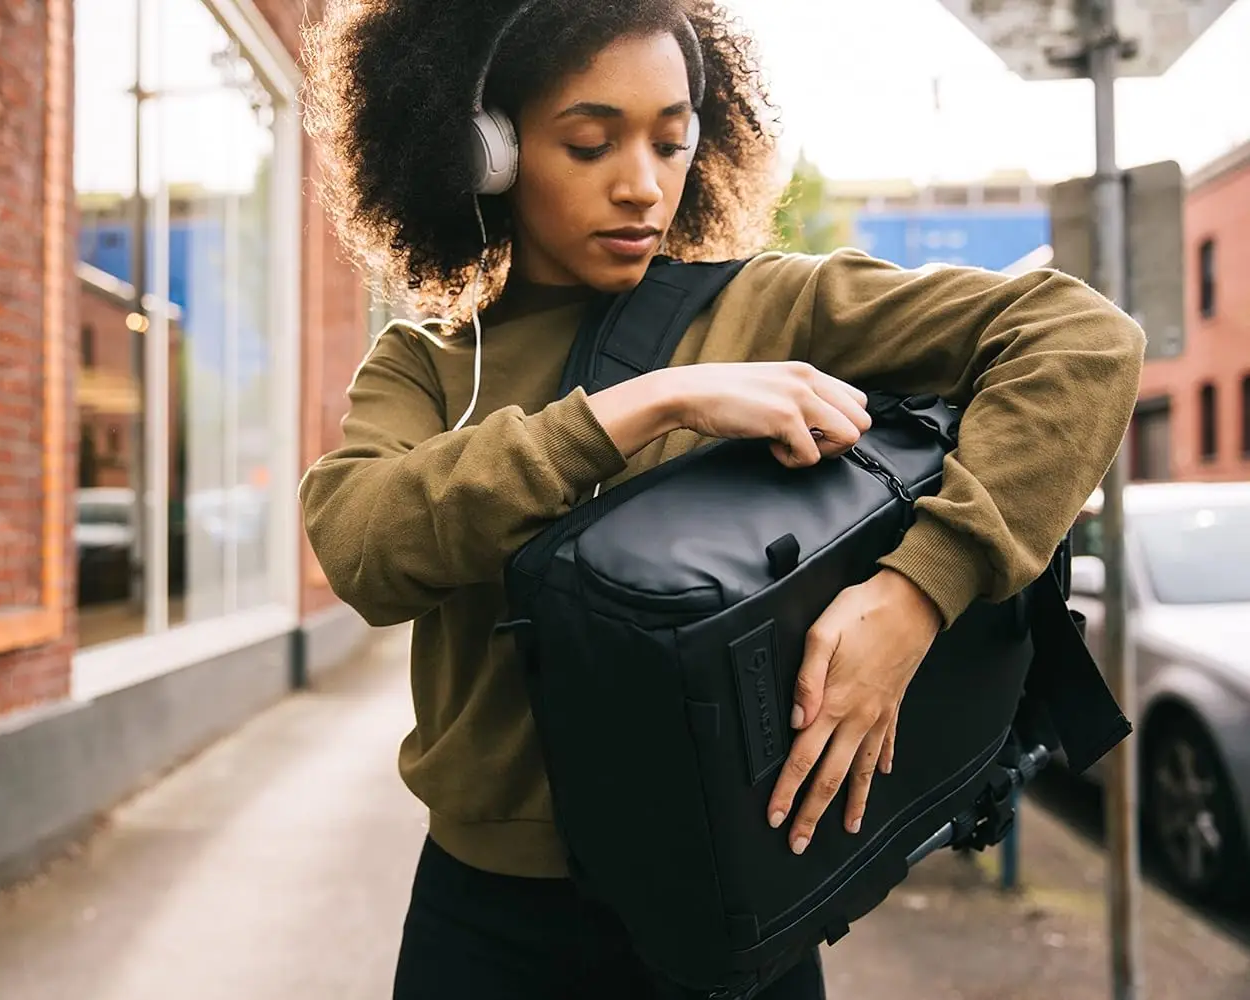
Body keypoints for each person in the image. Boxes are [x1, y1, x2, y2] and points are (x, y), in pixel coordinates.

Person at [297, 0, 1146, 997]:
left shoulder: (764, 306)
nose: (642, 185)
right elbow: (361, 544)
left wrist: (920, 592)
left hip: (735, 912)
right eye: (589, 142)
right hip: (491, 919)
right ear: (487, 148)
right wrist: (644, 405)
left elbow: (1081, 338)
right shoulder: (430, 366)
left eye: (671, 141)